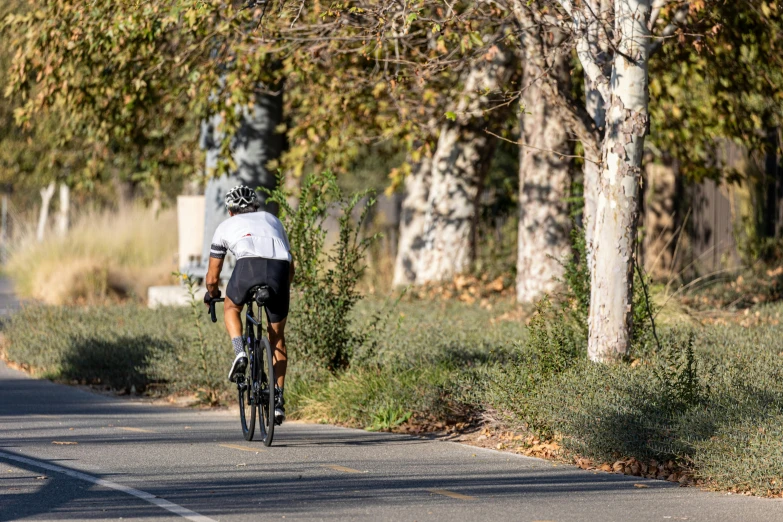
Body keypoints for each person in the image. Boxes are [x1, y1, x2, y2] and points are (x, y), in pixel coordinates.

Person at [204, 185, 294, 425]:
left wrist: (212, 295)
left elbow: (213, 277)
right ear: (255, 207)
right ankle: (278, 399)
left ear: (231, 212)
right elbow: (290, 262)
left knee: (232, 308)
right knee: (277, 337)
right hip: (279, 271)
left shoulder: (225, 226)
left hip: (248, 268)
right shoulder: (272, 219)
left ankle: (239, 351)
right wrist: (282, 289)